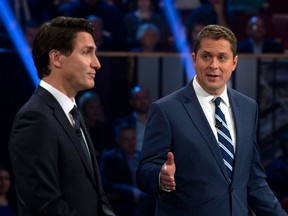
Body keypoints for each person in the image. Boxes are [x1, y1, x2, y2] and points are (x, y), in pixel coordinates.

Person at [136, 24, 288, 215]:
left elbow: (254, 180)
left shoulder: (248, 108)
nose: (213, 65)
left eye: (222, 57)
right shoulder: (166, 110)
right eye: (206, 56)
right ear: (194, 59)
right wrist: (160, 177)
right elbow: (143, 172)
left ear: (234, 63)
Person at [9, 16, 115, 216]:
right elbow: (44, 205)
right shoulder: (35, 118)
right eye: (86, 53)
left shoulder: (74, 114)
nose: (97, 63)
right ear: (56, 58)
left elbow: (96, 197)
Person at [100, 122, 155, 216]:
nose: (131, 143)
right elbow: (107, 183)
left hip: (148, 200)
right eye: (126, 140)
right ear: (118, 141)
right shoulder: (110, 158)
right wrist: (130, 191)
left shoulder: (143, 156)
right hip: (124, 202)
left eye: (133, 139)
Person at [78, 91, 114, 161]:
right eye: (92, 108)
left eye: (98, 107)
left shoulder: (104, 127)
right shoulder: (80, 128)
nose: (96, 111)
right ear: (84, 109)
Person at [115, 85, 151, 152]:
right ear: (131, 101)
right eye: (138, 98)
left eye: (145, 98)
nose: (142, 102)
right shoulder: (123, 123)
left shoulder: (157, 121)